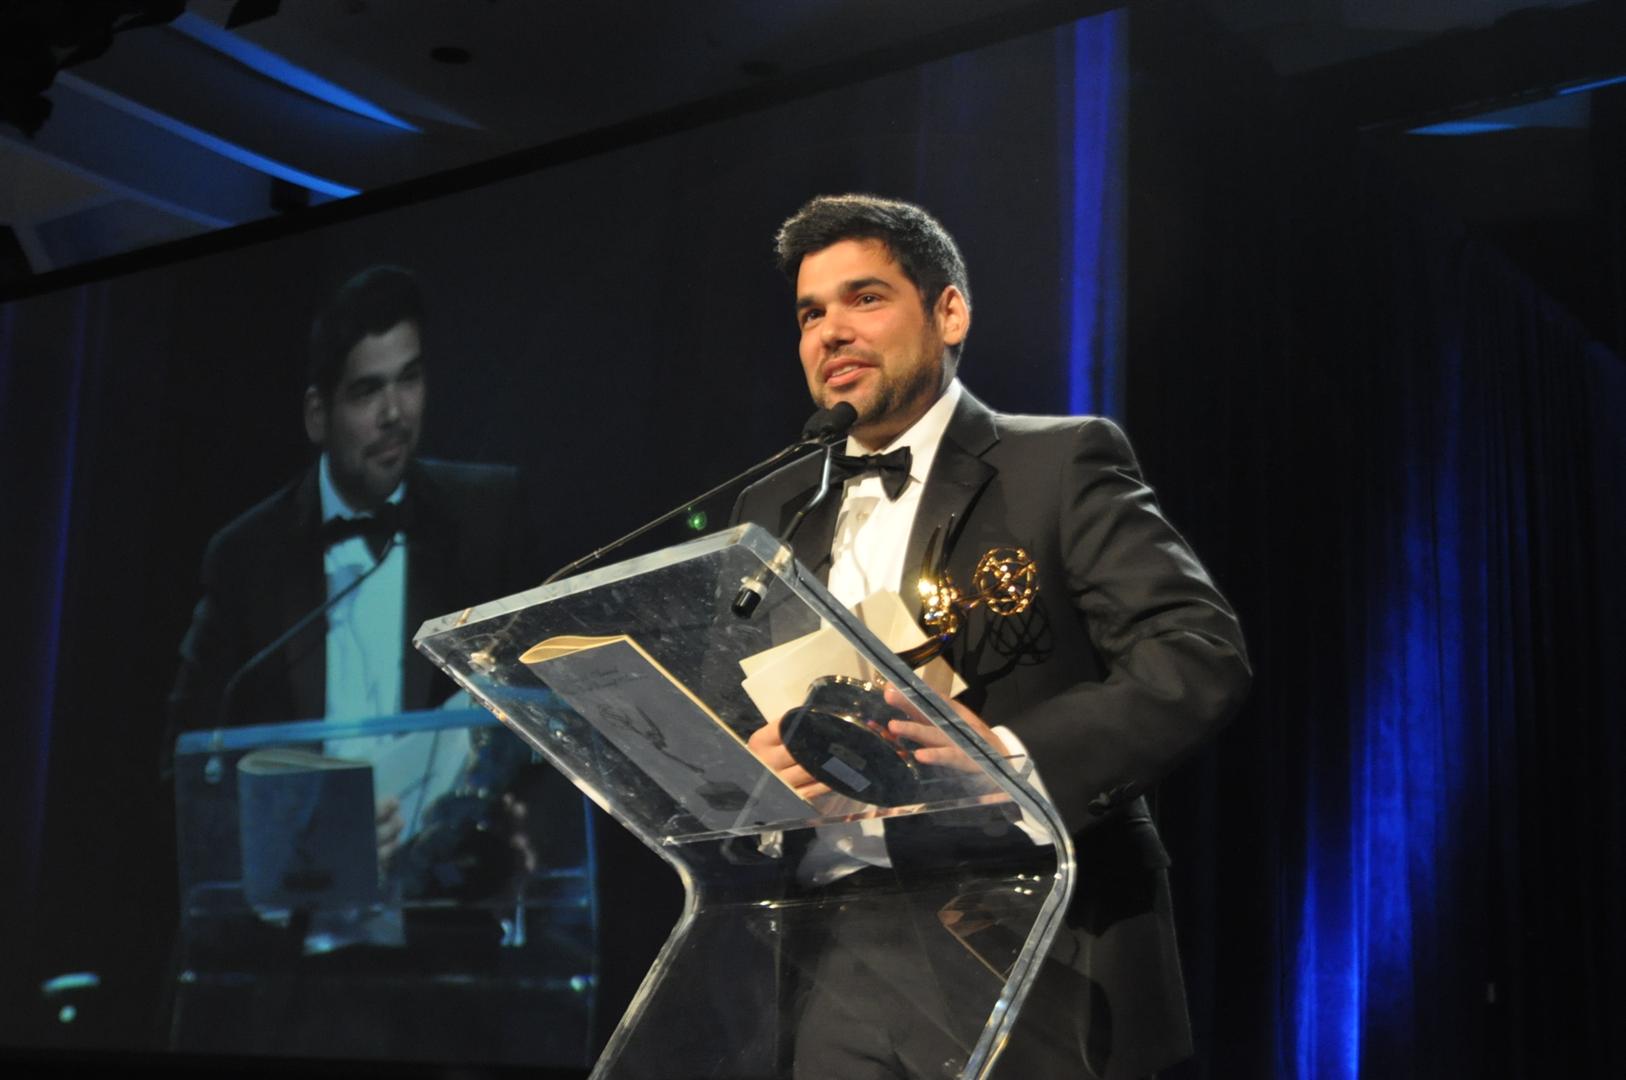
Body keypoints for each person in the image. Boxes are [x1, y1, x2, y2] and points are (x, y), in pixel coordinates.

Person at [736, 195, 1251, 1079]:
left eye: (865, 298)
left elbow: (1195, 652)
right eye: (810, 314)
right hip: (828, 945)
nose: (831, 331)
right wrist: (750, 770)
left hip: (1029, 932)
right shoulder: (769, 510)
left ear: (949, 313)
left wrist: (1006, 759)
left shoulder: (1060, 461)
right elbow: (733, 708)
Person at [166, 265, 533, 890]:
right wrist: (316, 832)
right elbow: (188, 768)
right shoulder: (247, 558)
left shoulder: (485, 520)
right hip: (300, 915)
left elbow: (540, 719)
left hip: (446, 912)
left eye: (409, 379)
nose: (396, 413)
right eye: (367, 392)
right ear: (318, 414)